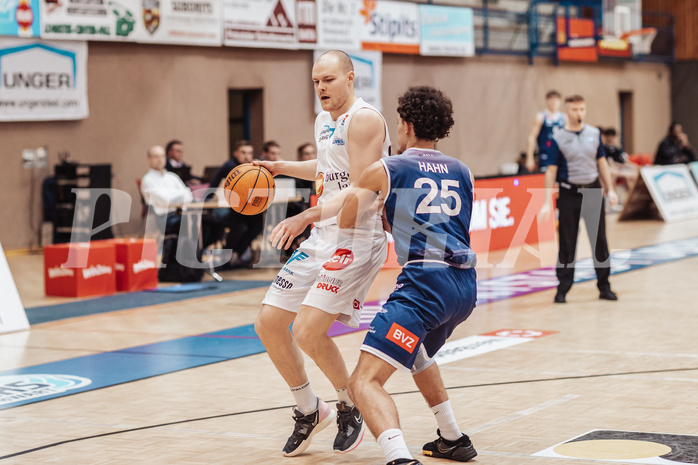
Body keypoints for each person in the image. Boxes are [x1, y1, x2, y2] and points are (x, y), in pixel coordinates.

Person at [253, 50, 389, 457]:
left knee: (308, 329)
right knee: (269, 323)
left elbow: (360, 191)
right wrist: (281, 166)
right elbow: (328, 169)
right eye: (316, 82)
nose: (321, 88)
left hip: (355, 236)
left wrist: (308, 213)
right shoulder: (324, 121)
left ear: (350, 78)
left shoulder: (365, 119)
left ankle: (351, 405)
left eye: (328, 80)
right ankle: (309, 409)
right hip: (323, 234)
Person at [335, 85, 477, 465]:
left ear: (407, 125)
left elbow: (347, 216)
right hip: (464, 287)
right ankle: (453, 438)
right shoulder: (463, 171)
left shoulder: (388, 167)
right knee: (417, 350)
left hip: (424, 284)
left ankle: (398, 459)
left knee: (363, 382)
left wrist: (370, 207)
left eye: (398, 124)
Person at [540, 95, 619, 304]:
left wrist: (610, 189)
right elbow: (551, 170)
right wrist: (547, 201)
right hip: (569, 193)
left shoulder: (594, 134)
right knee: (567, 242)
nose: (579, 113)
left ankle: (604, 286)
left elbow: (602, 163)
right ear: (568, 111)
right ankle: (563, 288)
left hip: (593, 191)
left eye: (582, 109)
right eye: (575, 110)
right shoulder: (558, 137)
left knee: (599, 240)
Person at [205, 140, 263, 265]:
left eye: (250, 153)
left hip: (238, 207)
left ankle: (236, 253)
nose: (247, 156)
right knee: (239, 224)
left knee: (258, 223)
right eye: (243, 152)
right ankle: (228, 257)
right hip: (220, 207)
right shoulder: (230, 166)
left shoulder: (251, 167)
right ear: (235, 153)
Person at [140, 145, 193, 235]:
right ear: (148, 159)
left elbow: (188, 195)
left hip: (181, 213)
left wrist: (173, 196)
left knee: (211, 220)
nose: (160, 159)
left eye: (162, 156)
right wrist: (179, 194)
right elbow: (165, 200)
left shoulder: (172, 176)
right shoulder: (147, 180)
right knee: (191, 222)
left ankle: (201, 248)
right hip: (164, 218)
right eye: (156, 156)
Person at [525, 90, 566, 173]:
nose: (553, 102)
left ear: (560, 101)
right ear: (547, 101)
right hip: (545, 155)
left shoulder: (564, 118)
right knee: (547, 178)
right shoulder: (541, 116)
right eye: (551, 99)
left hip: (561, 155)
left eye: (556, 99)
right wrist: (530, 157)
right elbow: (532, 136)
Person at [601, 127, 639, 192]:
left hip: (621, 168)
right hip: (614, 169)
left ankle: (632, 197)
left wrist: (635, 166)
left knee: (633, 175)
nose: (611, 138)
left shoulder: (618, 149)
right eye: (609, 136)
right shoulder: (604, 149)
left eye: (612, 136)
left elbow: (625, 161)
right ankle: (611, 194)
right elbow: (611, 163)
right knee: (614, 174)